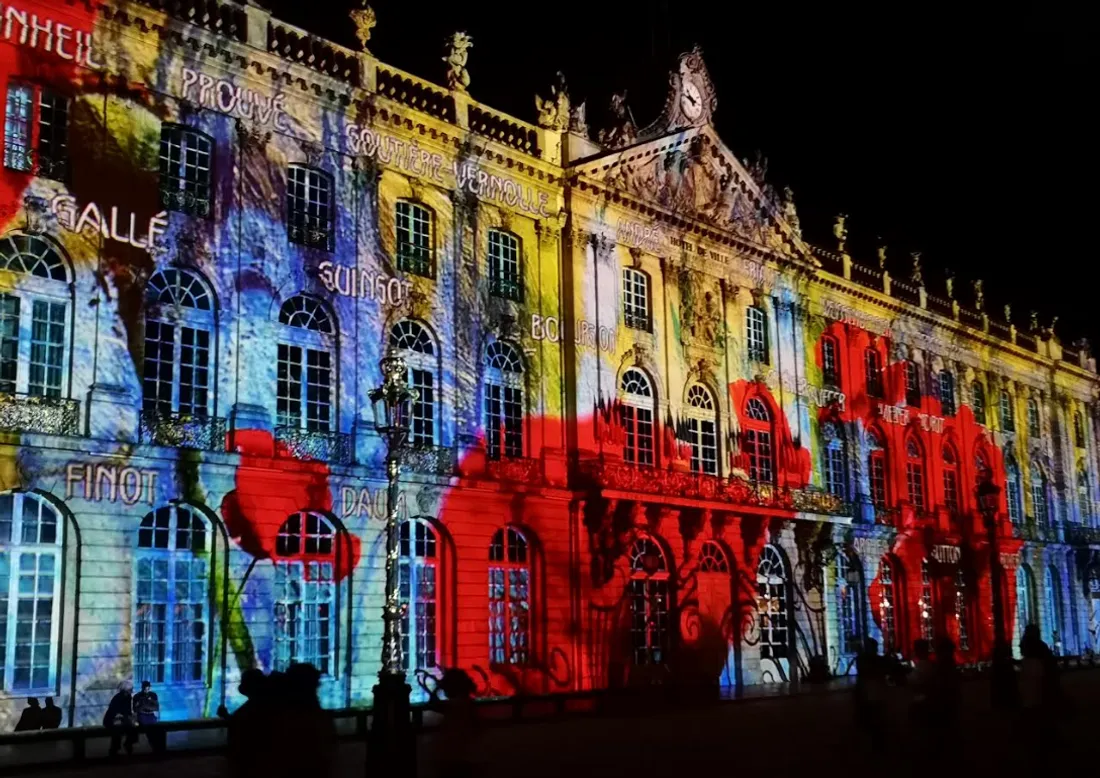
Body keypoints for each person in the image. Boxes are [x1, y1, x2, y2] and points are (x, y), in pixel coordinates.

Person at [430, 668, 479, 778]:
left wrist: (437, 687)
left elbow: (433, 704)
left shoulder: (454, 705)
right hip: (465, 756)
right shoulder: (468, 703)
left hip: (453, 757)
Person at [854, 638, 888, 753]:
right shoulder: (872, 660)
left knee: (873, 721)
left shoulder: (865, 660)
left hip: (872, 694)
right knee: (873, 721)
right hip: (871, 693)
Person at [103, 682, 136, 757]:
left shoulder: (128, 697)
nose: (131, 691)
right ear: (125, 690)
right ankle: (114, 751)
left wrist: (130, 717)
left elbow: (127, 711)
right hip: (111, 720)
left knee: (132, 729)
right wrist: (123, 717)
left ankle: (128, 744)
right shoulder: (117, 698)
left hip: (122, 719)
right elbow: (114, 711)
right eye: (130, 689)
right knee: (117, 731)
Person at [133, 680, 166, 754]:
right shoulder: (137, 696)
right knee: (149, 731)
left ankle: (157, 748)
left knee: (156, 731)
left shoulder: (153, 695)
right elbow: (136, 709)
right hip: (142, 715)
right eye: (145, 688)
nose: (146, 690)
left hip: (151, 715)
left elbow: (156, 707)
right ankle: (155, 748)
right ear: (142, 688)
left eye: (148, 688)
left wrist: (145, 706)